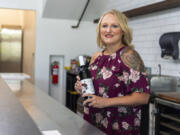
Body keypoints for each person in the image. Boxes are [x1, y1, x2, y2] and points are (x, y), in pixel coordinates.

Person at [74, 9, 150, 135]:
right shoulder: (96, 57)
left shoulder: (129, 56)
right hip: (92, 123)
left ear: (123, 30)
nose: (108, 30)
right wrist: (81, 89)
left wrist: (105, 102)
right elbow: (94, 91)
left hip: (118, 126)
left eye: (114, 26)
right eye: (104, 26)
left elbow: (143, 97)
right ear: (100, 30)